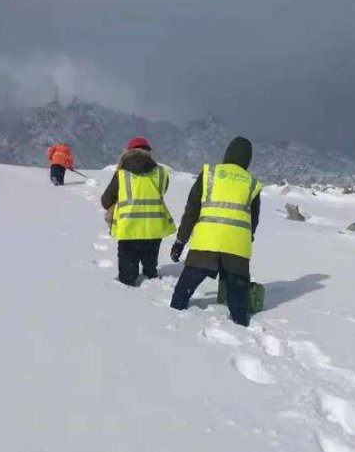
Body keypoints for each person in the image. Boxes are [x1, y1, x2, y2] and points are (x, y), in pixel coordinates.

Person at [169, 136, 262, 326]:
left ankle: (173, 319)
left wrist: (181, 240)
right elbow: (253, 220)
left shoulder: (210, 173)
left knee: (184, 290)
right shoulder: (252, 183)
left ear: (227, 153)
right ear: (248, 159)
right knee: (237, 298)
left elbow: (192, 210)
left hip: (206, 243)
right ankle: (240, 328)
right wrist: (247, 238)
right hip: (237, 247)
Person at [101, 137, 176, 286]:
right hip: (153, 227)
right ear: (148, 152)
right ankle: (151, 278)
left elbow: (106, 200)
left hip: (129, 228)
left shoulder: (121, 174)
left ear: (128, 152)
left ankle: (128, 295)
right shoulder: (161, 172)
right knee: (150, 265)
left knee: (127, 274)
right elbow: (162, 190)